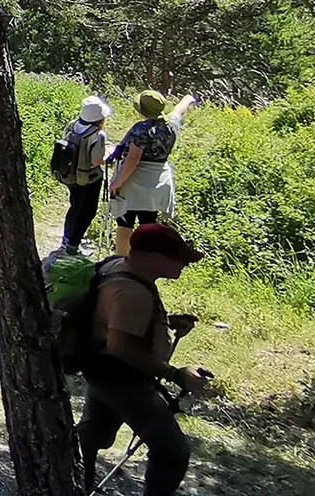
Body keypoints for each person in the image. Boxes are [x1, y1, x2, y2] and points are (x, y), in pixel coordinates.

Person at [77, 224, 212, 496]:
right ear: (150, 257)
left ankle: (74, 483)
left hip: (100, 371)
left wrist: (164, 322)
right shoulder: (131, 293)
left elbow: (115, 322)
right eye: (178, 257)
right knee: (172, 452)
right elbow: (119, 346)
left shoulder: (118, 268)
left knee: (95, 435)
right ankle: (74, 481)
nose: (185, 263)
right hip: (124, 380)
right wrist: (175, 374)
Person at [109, 91, 195, 255]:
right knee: (147, 225)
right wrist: (188, 99)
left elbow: (133, 158)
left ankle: (120, 263)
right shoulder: (171, 125)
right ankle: (142, 263)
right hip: (158, 181)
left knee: (125, 224)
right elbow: (179, 110)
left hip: (135, 183)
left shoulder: (141, 130)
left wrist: (118, 182)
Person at [59, 95, 113, 255]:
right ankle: (73, 247)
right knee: (87, 211)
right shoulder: (97, 135)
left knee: (75, 207)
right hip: (89, 179)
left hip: (70, 176)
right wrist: (109, 153)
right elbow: (97, 161)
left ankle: (66, 239)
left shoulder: (72, 125)